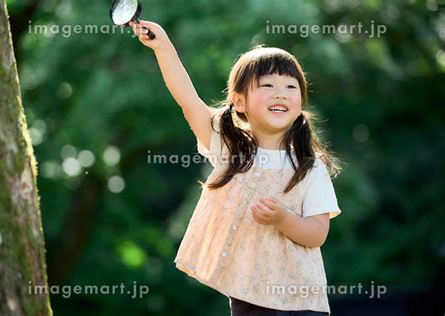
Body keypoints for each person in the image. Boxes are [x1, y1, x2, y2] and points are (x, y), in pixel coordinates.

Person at [130, 20, 342, 316]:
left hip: (299, 300)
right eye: (268, 85)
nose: (280, 93)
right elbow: (188, 101)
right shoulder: (231, 149)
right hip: (248, 297)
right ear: (239, 102)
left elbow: (317, 233)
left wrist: (283, 218)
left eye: (290, 87)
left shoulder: (308, 164)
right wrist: (163, 47)